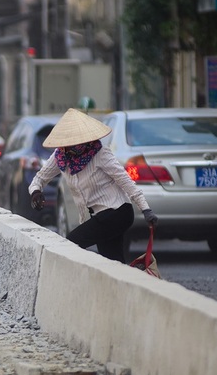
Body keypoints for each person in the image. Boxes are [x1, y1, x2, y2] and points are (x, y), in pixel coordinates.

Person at [28, 108, 158, 264]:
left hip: (118, 212)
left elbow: (125, 180)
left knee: (71, 244)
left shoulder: (100, 153)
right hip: (98, 216)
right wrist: (36, 192)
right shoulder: (61, 157)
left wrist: (145, 209)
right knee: (112, 262)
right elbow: (39, 179)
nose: (72, 145)